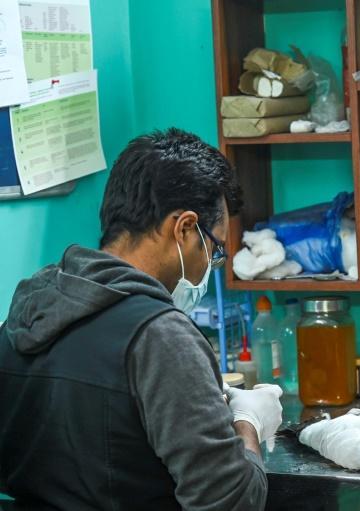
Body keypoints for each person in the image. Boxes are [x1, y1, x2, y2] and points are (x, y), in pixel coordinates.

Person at [0, 129, 283, 510]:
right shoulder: (160, 335)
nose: (211, 267)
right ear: (183, 228)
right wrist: (248, 422)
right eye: (215, 250)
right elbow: (229, 501)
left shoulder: (30, 309)